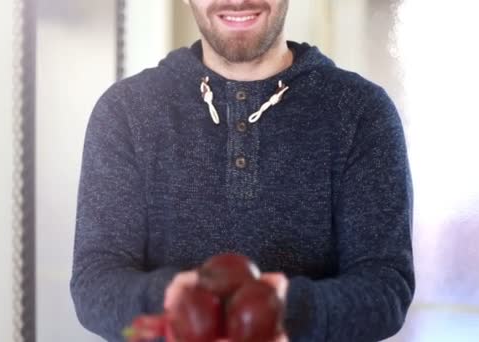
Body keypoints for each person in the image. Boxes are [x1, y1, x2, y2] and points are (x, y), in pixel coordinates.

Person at [70, 0, 415, 341]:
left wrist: (289, 309)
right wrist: (171, 300)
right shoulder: (124, 112)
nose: (236, 1)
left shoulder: (362, 113)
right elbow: (93, 283)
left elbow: (387, 288)